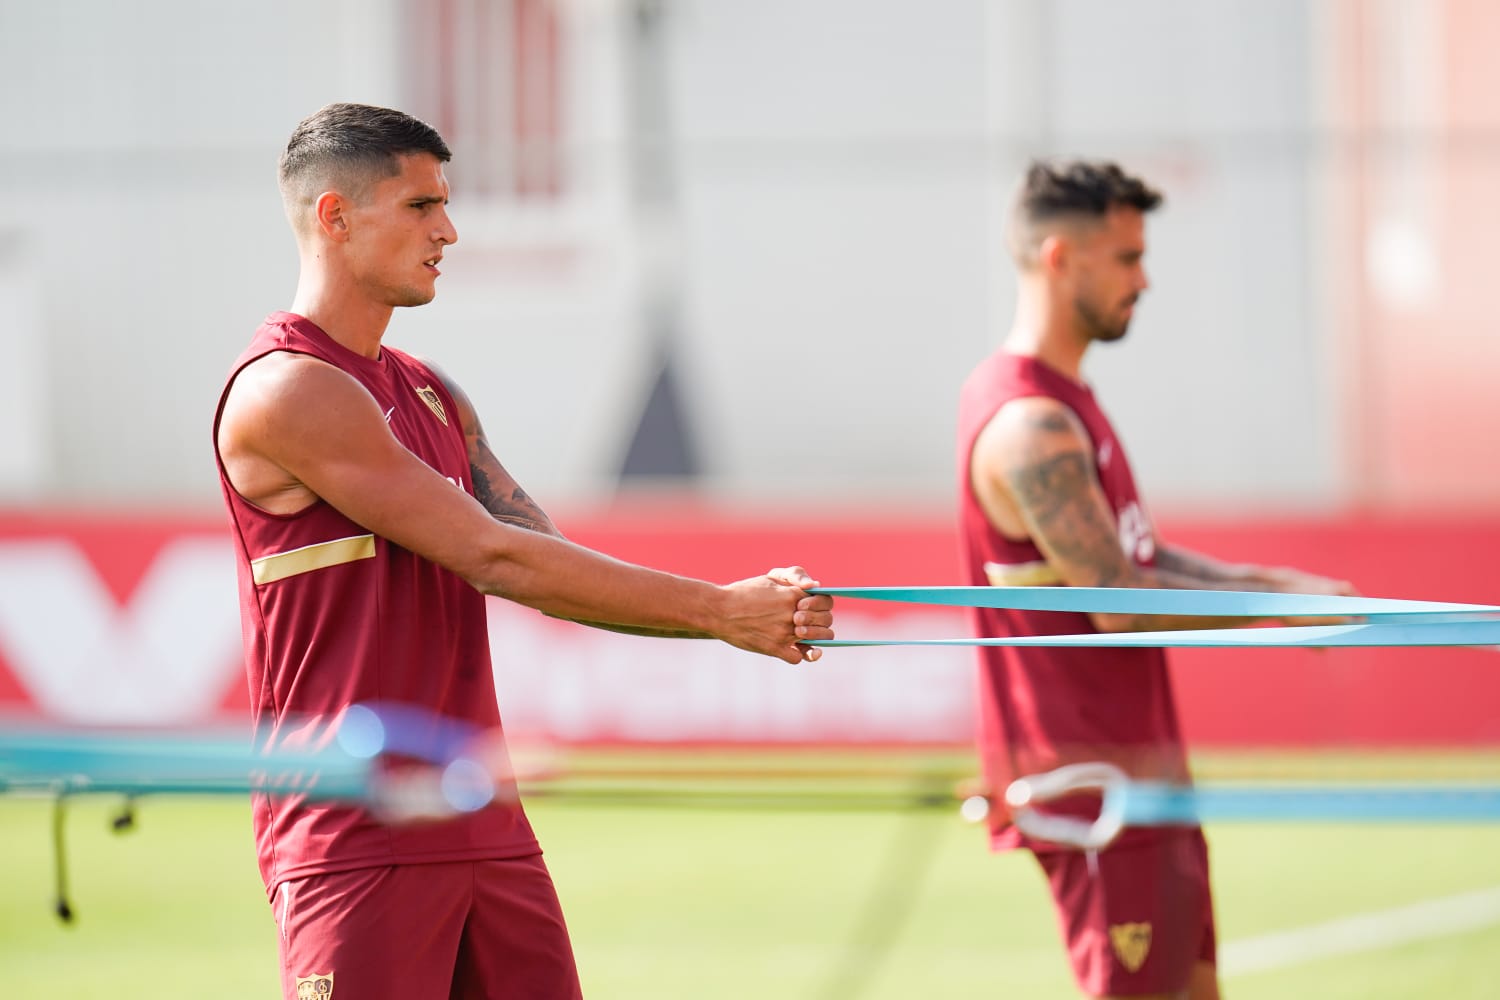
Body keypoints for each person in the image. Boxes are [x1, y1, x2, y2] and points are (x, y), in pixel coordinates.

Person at [212, 102, 836, 1000]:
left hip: (482, 824)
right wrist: (721, 612)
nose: (449, 231)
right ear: (335, 217)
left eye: (446, 205)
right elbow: (493, 558)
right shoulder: (289, 391)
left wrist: (741, 610)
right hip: (352, 837)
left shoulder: (431, 392)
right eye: (421, 206)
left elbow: (539, 558)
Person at [956, 159, 1356, 1000]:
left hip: (1144, 786)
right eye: (1127, 257)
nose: (1146, 278)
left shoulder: (1064, 403)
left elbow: (1137, 559)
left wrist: (1277, 586)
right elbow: (1120, 603)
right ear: (1061, 257)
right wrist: (1274, 606)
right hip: (1095, 795)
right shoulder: (1030, 424)